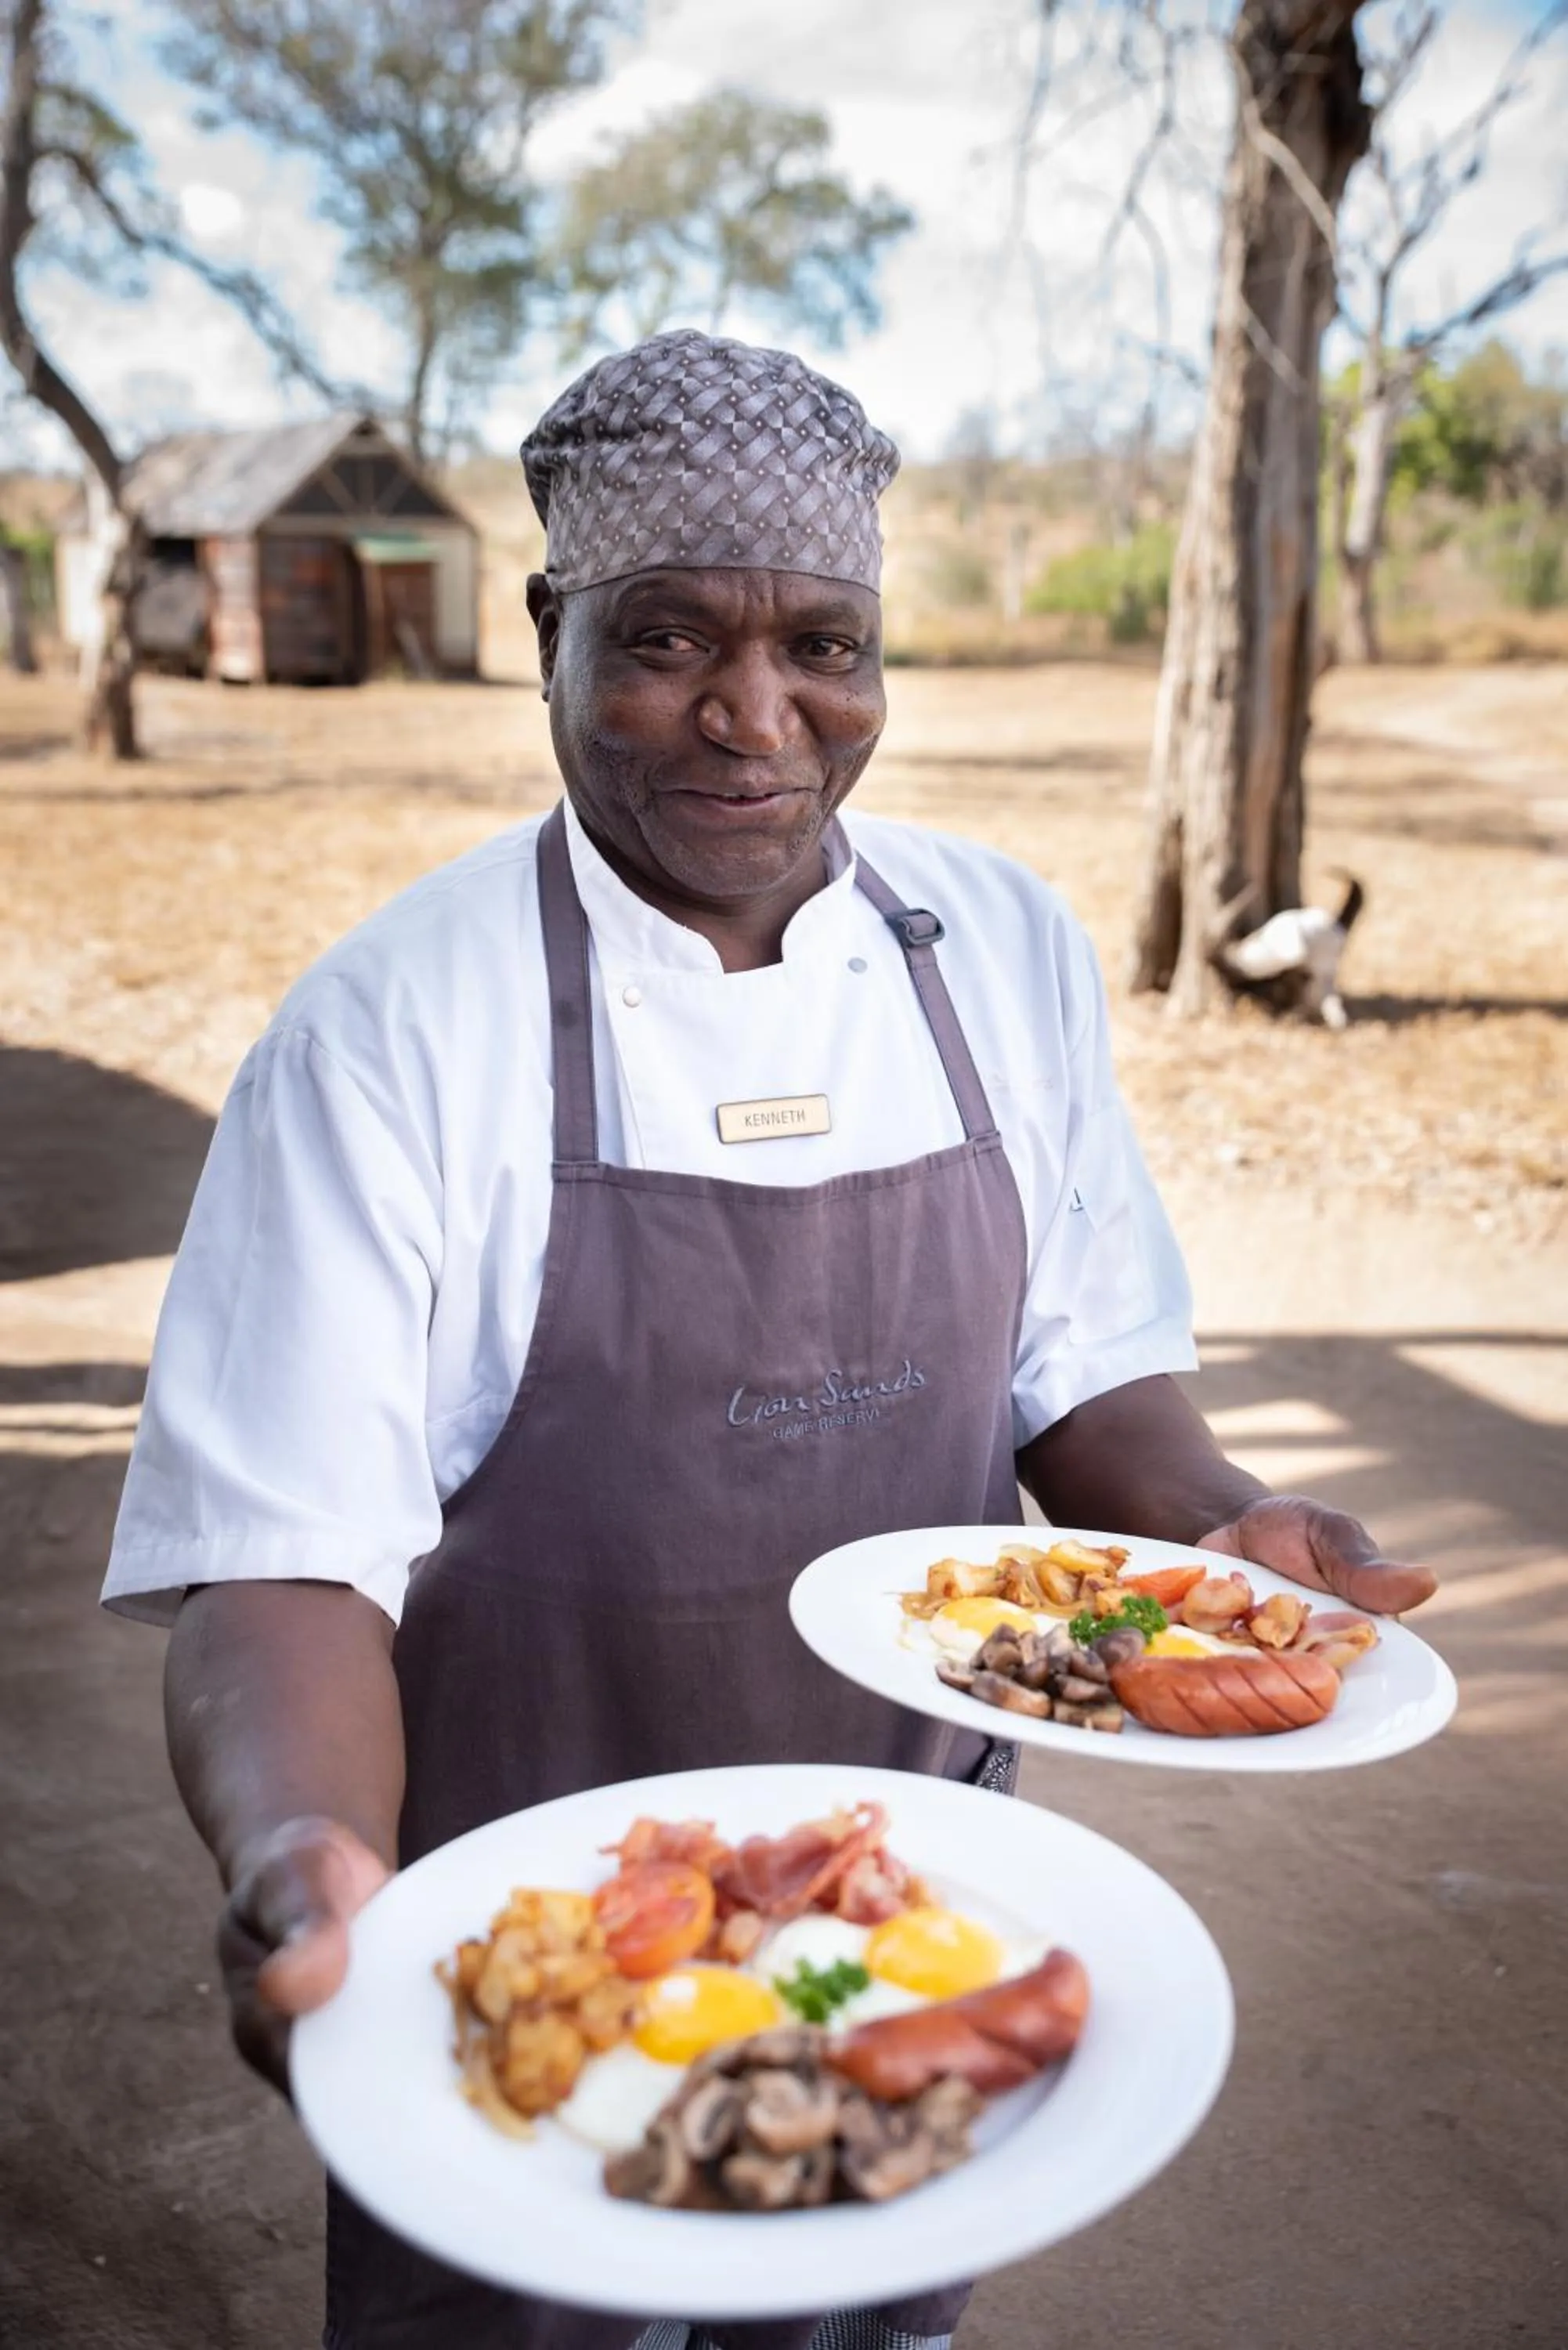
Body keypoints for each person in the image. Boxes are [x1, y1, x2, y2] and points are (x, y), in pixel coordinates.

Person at [103, 330, 1436, 2350]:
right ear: (545, 636)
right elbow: (286, 1548)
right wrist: (310, 1850)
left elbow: (1082, 1372)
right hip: (533, 1971)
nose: (757, 720)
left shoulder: (1000, 954)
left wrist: (1224, 1537)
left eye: (827, 643)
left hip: (915, 1920)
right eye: (662, 643)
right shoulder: (394, 1030)